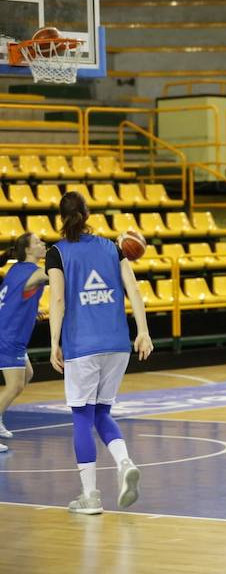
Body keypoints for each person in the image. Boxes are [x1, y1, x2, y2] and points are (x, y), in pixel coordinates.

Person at [47, 191, 153, 515]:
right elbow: (134, 289)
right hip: (118, 343)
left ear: (60, 217)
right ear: (88, 214)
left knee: (82, 417)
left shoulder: (57, 252)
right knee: (102, 413)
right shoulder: (112, 247)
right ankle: (125, 462)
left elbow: (57, 300)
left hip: (82, 346)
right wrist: (143, 332)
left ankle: (90, 496)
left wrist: (54, 342)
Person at [0, 232, 49, 447]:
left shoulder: (16, 269)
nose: (43, 244)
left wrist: (30, 310)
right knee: (14, 386)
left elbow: (14, 296)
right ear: (28, 250)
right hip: (8, 336)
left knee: (27, 375)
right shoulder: (34, 273)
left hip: (9, 332)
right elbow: (55, 272)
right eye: (38, 242)